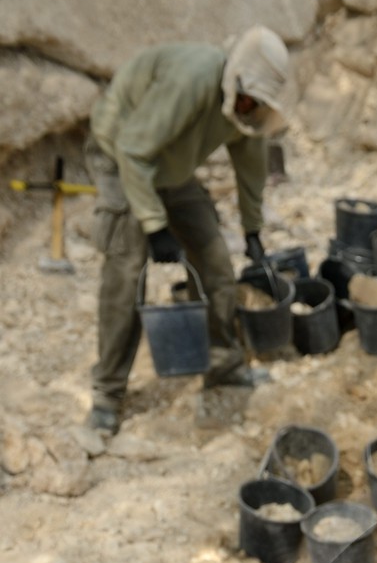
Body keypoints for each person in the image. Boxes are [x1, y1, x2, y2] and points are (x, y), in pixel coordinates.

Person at [84, 27, 291, 435]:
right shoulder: (192, 81)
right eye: (248, 99)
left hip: (170, 168)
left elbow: (251, 168)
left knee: (215, 259)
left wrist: (253, 231)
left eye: (257, 104)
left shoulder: (246, 111)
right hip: (123, 156)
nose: (249, 108)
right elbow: (132, 150)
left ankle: (223, 365)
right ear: (235, 83)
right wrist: (155, 226)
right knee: (127, 273)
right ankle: (107, 395)